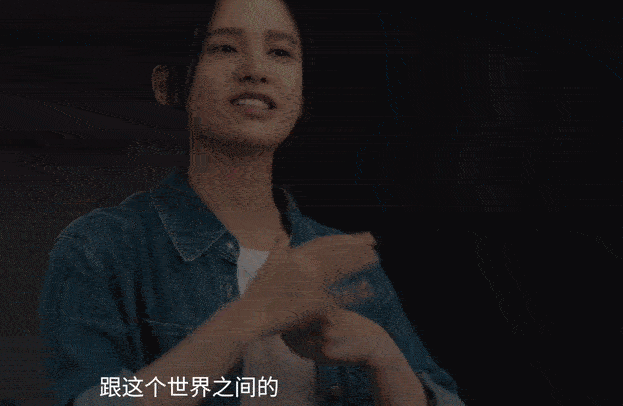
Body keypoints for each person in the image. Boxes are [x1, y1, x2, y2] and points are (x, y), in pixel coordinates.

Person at [38, 0, 466, 405]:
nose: (256, 71)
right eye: (224, 48)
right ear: (168, 84)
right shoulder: (102, 247)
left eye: (280, 52)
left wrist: (384, 356)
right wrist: (248, 318)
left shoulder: (343, 262)